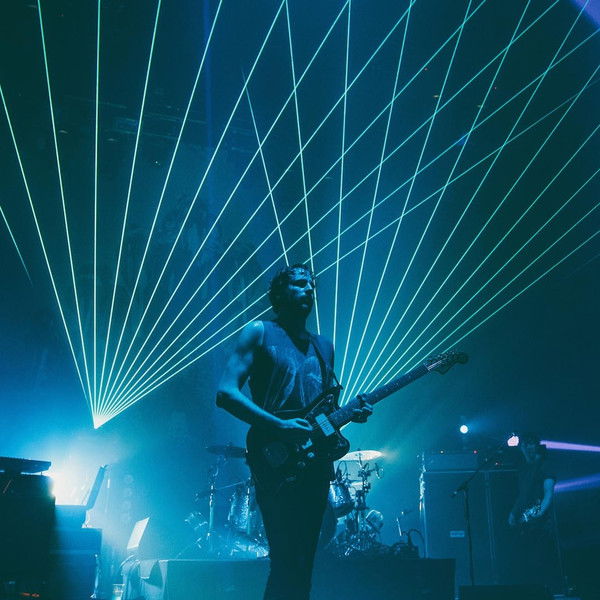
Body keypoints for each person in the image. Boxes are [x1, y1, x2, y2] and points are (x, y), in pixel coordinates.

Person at [216, 263, 371, 600]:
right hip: (274, 457)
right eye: (299, 284)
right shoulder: (258, 332)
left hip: (314, 463)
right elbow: (226, 393)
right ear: (278, 294)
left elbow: (323, 415)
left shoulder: (324, 346)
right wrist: (279, 426)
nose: (308, 290)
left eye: (311, 285)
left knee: (305, 564)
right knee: (285, 560)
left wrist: (348, 415)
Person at [508, 433, 563, 592]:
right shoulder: (523, 469)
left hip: (542, 523)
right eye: (525, 444)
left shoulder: (545, 465)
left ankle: (549, 591)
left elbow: (548, 493)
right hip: (525, 521)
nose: (527, 447)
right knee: (524, 560)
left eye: (531, 444)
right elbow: (522, 494)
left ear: (537, 446)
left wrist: (540, 513)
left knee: (540, 559)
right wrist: (513, 512)